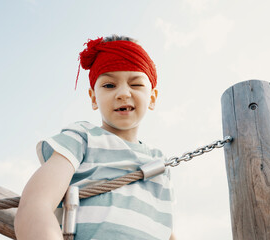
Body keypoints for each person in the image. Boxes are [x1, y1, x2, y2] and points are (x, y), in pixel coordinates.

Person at [14, 35, 175, 240]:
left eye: (136, 84)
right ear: (93, 98)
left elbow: (165, 227)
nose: (123, 93)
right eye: (109, 85)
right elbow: (36, 205)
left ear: (152, 98)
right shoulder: (82, 138)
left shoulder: (160, 162)